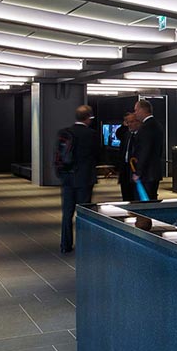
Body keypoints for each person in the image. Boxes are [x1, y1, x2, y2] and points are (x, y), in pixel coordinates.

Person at [59, 105, 99, 253]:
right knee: (83, 213)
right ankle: (84, 244)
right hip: (85, 178)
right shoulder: (91, 134)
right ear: (88, 117)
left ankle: (65, 245)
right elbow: (96, 155)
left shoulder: (65, 132)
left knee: (67, 213)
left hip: (68, 178)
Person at [131, 99, 163, 200]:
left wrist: (138, 172)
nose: (135, 113)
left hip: (146, 174)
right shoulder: (157, 125)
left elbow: (144, 151)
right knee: (152, 200)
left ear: (142, 110)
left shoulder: (145, 128)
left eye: (136, 110)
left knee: (144, 202)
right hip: (154, 172)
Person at [116, 112, 138, 201]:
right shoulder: (127, 135)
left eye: (132, 122)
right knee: (126, 196)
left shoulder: (140, 136)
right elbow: (119, 133)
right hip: (125, 170)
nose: (129, 125)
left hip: (134, 169)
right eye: (128, 122)